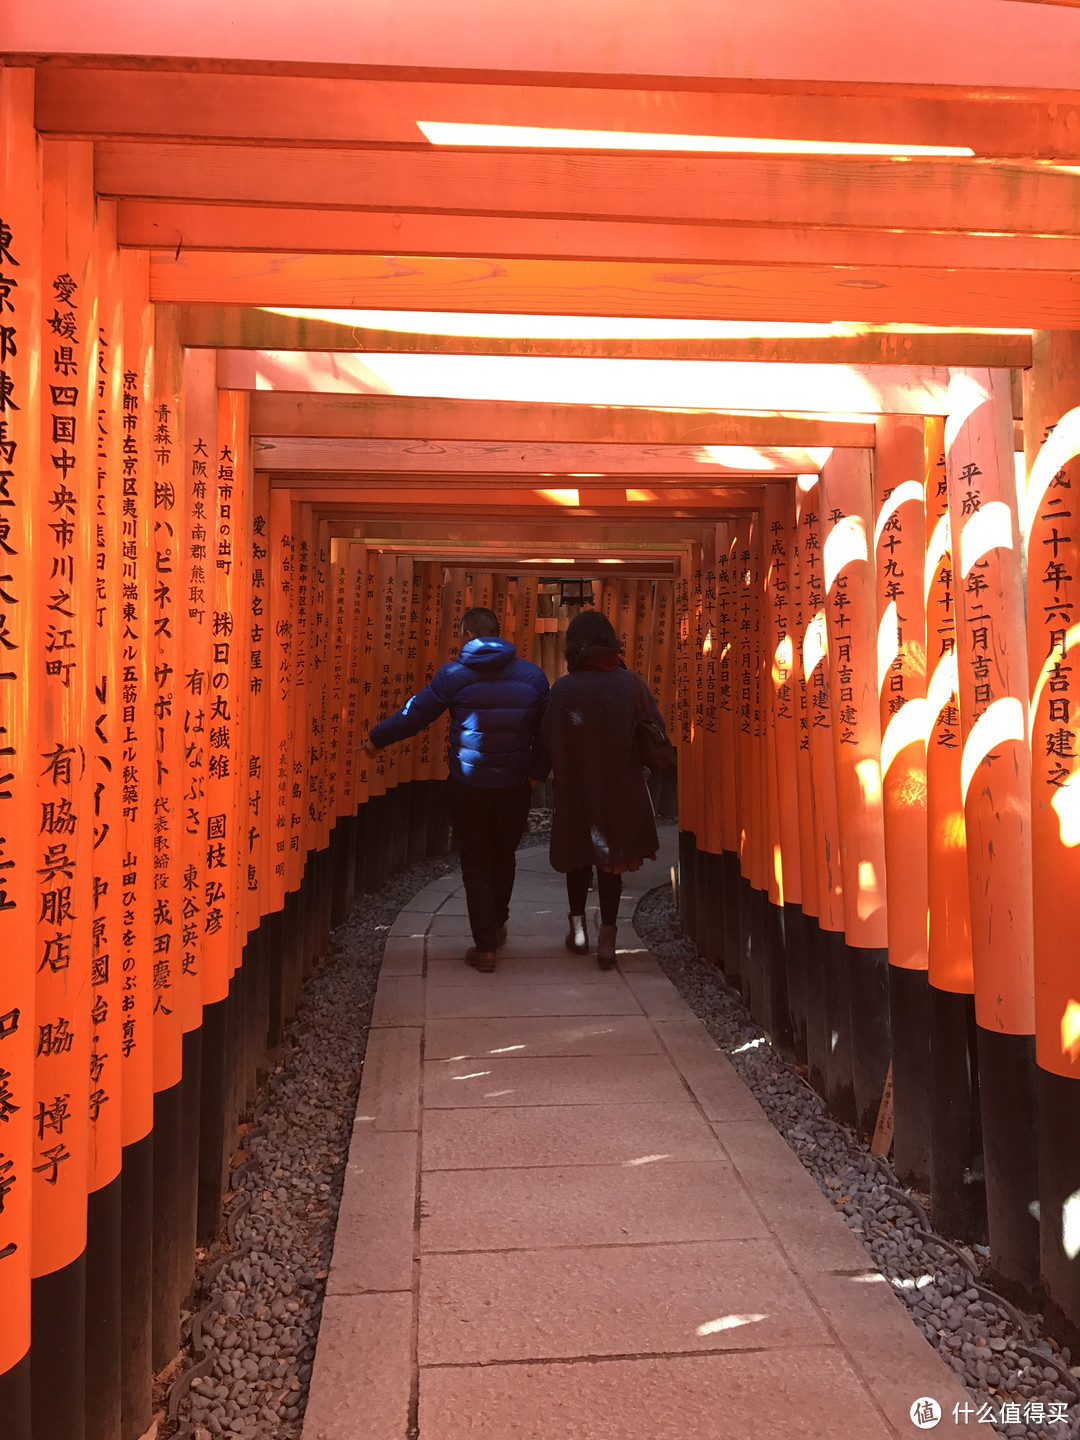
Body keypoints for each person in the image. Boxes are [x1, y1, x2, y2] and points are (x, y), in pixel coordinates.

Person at [363, 606, 548, 972]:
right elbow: (548, 732)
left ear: (466, 636)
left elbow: (414, 714)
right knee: (505, 854)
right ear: (498, 632)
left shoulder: (454, 676)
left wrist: (375, 739)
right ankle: (496, 924)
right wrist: (536, 774)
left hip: (470, 783)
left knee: (476, 860)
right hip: (515, 783)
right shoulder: (533, 676)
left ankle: (485, 946)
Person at [538, 609, 667, 969]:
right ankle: (607, 940)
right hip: (621, 788)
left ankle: (578, 931)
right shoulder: (630, 683)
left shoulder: (563, 689)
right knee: (611, 866)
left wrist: (531, 776)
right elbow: (654, 728)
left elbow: (546, 740)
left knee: (577, 859)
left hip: (576, 789)